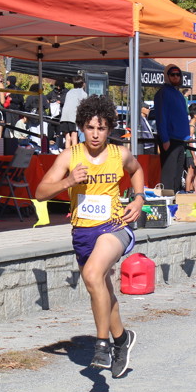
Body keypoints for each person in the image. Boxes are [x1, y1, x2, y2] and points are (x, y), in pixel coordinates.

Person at [35, 95, 145, 377]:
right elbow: (40, 193)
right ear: (82, 127)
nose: (96, 134)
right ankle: (122, 339)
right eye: (90, 128)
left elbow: (137, 170)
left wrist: (139, 198)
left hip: (114, 227)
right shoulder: (69, 157)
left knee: (94, 274)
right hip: (83, 233)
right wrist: (69, 181)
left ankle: (102, 345)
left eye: (102, 128)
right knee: (101, 289)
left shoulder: (120, 154)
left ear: (109, 129)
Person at [153, 64, 190, 192]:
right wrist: (165, 139)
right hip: (170, 139)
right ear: (167, 76)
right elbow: (161, 117)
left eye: (178, 74)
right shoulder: (163, 93)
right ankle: (167, 199)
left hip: (181, 140)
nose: (175, 77)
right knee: (169, 175)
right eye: (172, 74)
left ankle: (175, 198)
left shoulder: (178, 94)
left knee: (178, 175)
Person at [59, 76, 88, 148]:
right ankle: (74, 153)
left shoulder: (69, 92)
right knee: (74, 136)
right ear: (83, 84)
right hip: (73, 117)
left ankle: (67, 153)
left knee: (67, 138)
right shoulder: (83, 94)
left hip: (64, 117)